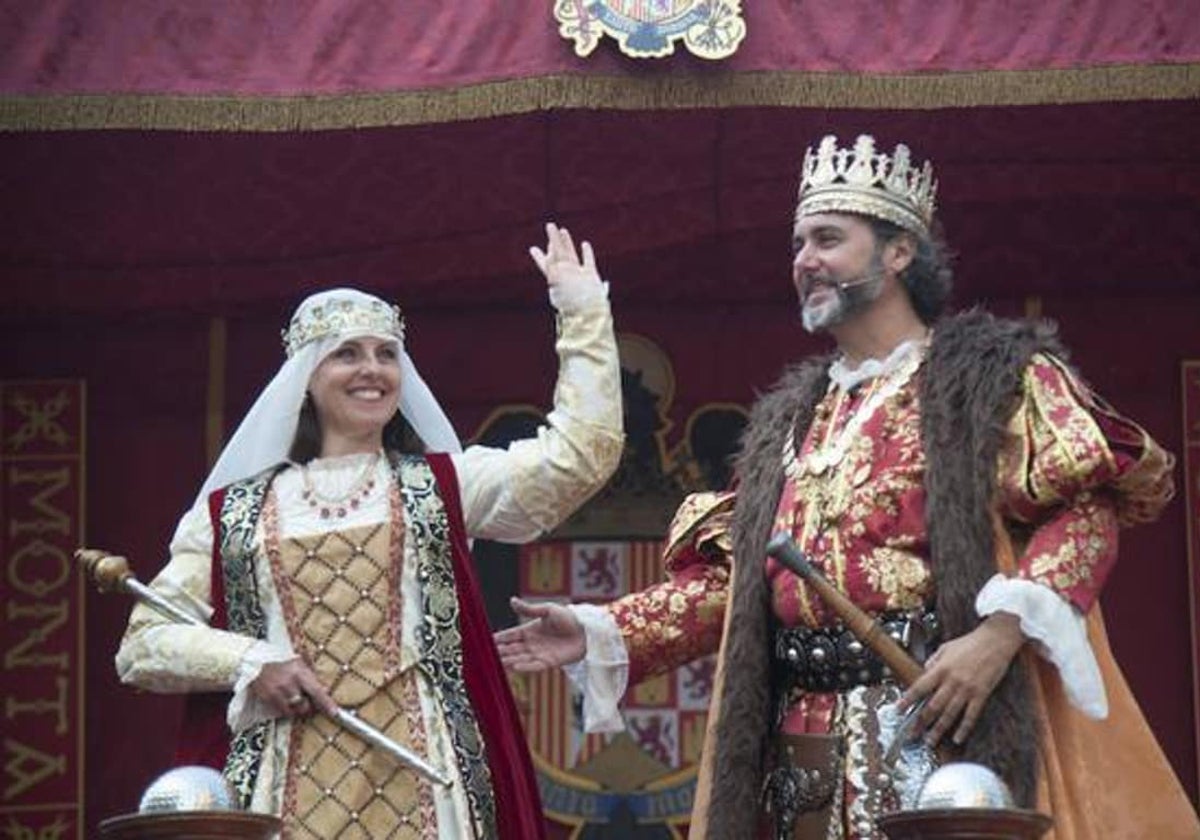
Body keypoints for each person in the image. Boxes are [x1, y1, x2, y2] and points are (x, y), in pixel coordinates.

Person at [495, 136, 1200, 838]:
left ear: (899, 252)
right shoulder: (792, 418)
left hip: (937, 726)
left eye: (828, 239)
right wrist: (605, 628)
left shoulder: (988, 379)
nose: (804, 261)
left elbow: (1085, 507)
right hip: (802, 752)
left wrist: (997, 638)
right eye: (798, 243)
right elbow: (739, 581)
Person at [115, 223, 624, 840]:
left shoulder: (442, 485)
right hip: (284, 781)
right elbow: (144, 644)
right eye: (347, 353)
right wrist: (253, 661)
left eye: (387, 354)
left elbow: (580, 457)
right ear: (306, 375)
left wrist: (582, 311)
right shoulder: (235, 513)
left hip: (427, 780)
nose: (373, 370)